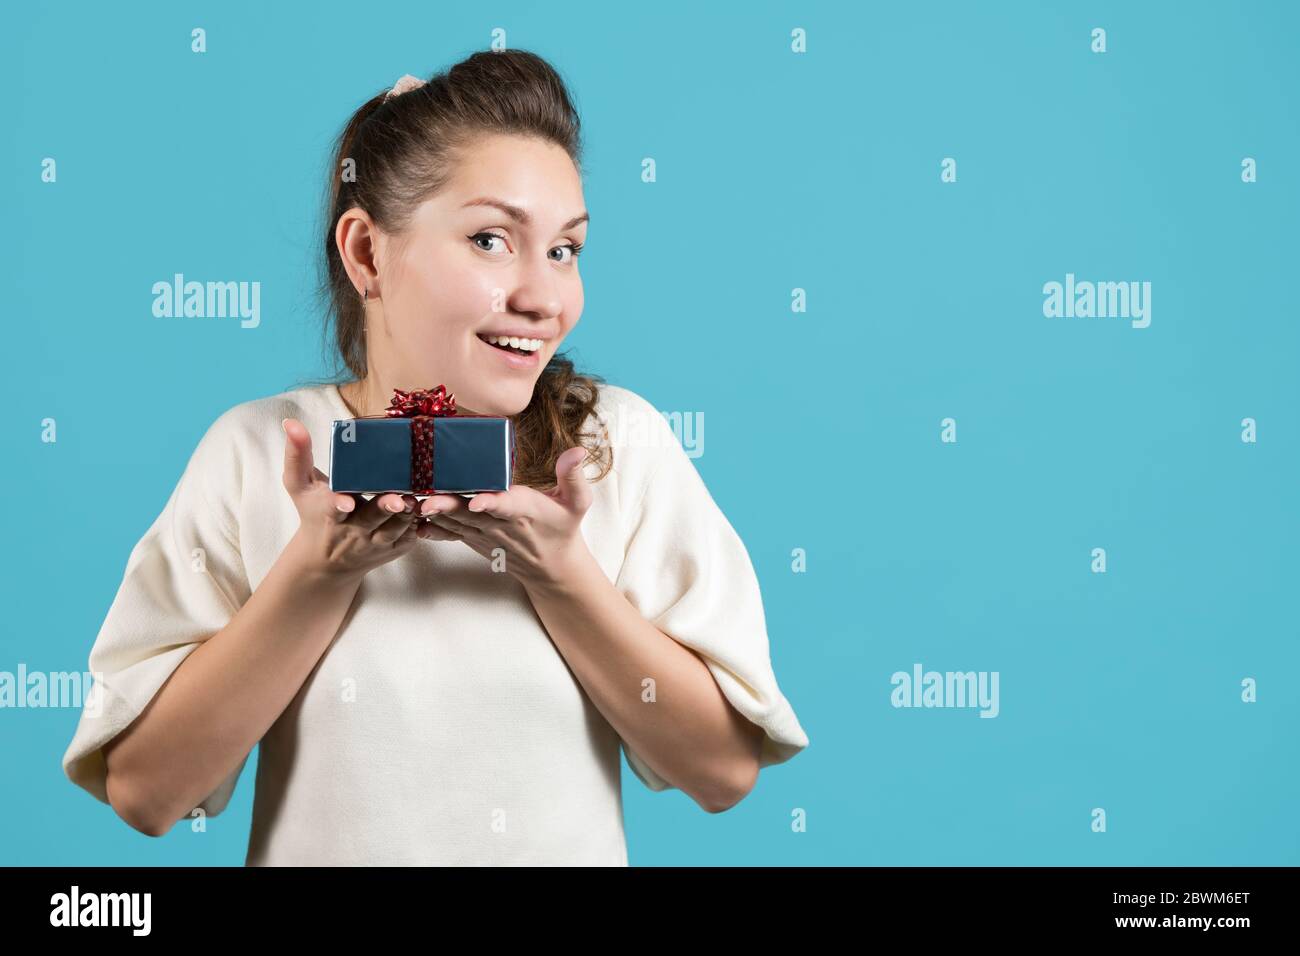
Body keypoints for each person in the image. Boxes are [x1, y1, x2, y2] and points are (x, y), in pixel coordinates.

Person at [61, 49, 808, 866]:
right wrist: (314, 575)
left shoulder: (611, 445)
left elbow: (724, 772)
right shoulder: (258, 452)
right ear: (367, 254)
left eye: (565, 249)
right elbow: (145, 793)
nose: (544, 297)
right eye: (492, 239)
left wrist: (564, 575)